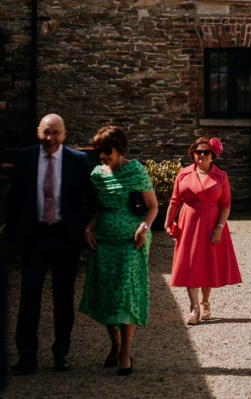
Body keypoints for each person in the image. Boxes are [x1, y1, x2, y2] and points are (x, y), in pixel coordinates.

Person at [6, 114, 92, 375]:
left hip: (65, 239)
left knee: (63, 300)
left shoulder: (79, 160)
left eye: (56, 133)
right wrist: (13, 237)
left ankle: (61, 353)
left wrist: (83, 231)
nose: (50, 138)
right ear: (37, 132)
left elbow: (89, 199)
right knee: (29, 298)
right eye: (46, 132)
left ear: (64, 134)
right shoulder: (24, 158)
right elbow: (15, 200)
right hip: (34, 239)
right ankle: (27, 357)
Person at [79, 125, 158, 376]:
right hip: (103, 242)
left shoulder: (135, 170)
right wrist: (88, 230)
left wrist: (143, 228)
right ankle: (115, 345)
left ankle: (126, 352)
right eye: (99, 151)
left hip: (131, 243)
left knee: (125, 294)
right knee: (107, 296)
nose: (102, 155)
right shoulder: (96, 175)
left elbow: (153, 207)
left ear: (119, 149)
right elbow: (100, 210)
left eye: (107, 151)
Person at [164, 137, 241, 325]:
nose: (201, 155)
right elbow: (174, 201)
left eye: (205, 152)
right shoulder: (183, 174)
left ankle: (206, 303)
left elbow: (225, 205)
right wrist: (167, 223)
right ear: (193, 154)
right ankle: (194, 308)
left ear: (212, 156)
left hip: (212, 223)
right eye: (197, 151)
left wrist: (220, 228)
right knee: (190, 264)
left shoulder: (221, 176)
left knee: (208, 263)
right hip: (188, 223)